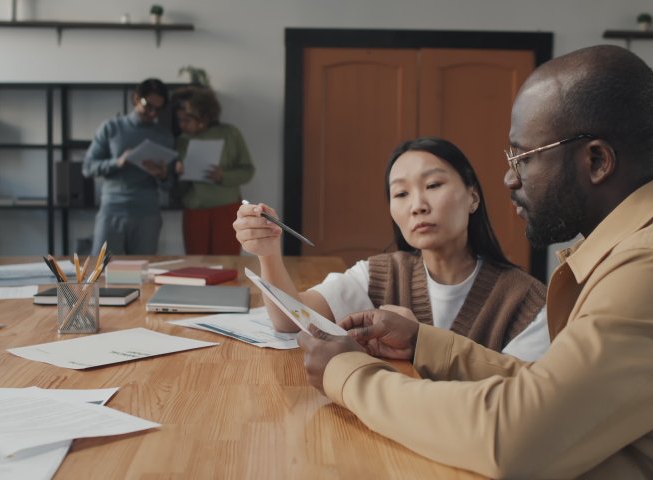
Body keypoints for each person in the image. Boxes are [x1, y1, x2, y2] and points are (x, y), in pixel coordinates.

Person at [296, 45, 653, 479]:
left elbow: (516, 437)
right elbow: (557, 396)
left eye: (524, 157)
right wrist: (424, 345)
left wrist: (349, 375)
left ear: (598, 161)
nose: (509, 178)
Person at [235, 137, 549, 360]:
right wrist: (268, 252)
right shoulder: (381, 274)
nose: (417, 206)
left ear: (473, 198)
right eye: (400, 194)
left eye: (433, 186)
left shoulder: (528, 302)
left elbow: (521, 403)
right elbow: (292, 320)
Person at [82, 78, 176, 256]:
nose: (152, 113)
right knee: (102, 270)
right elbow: (88, 167)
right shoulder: (111, 128)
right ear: (135, 99)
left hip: (147, 212)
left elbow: (169, 184)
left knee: (143, 273)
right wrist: (118, 162)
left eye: (158, 109)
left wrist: (162, 176)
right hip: (112, 209)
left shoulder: (165, 137)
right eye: (148, 106)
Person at [175, 89, 255, 255]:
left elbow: (248, 171)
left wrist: (222, 176)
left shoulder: (229, 133)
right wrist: (180, 174)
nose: (181, 124)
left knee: (226, 264)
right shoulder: (182, 140)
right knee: (196, 266)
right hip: (194, 210)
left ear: (203, 117)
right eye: (179, 119)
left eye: (187, 119)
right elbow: (181, 188)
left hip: (226, 209)